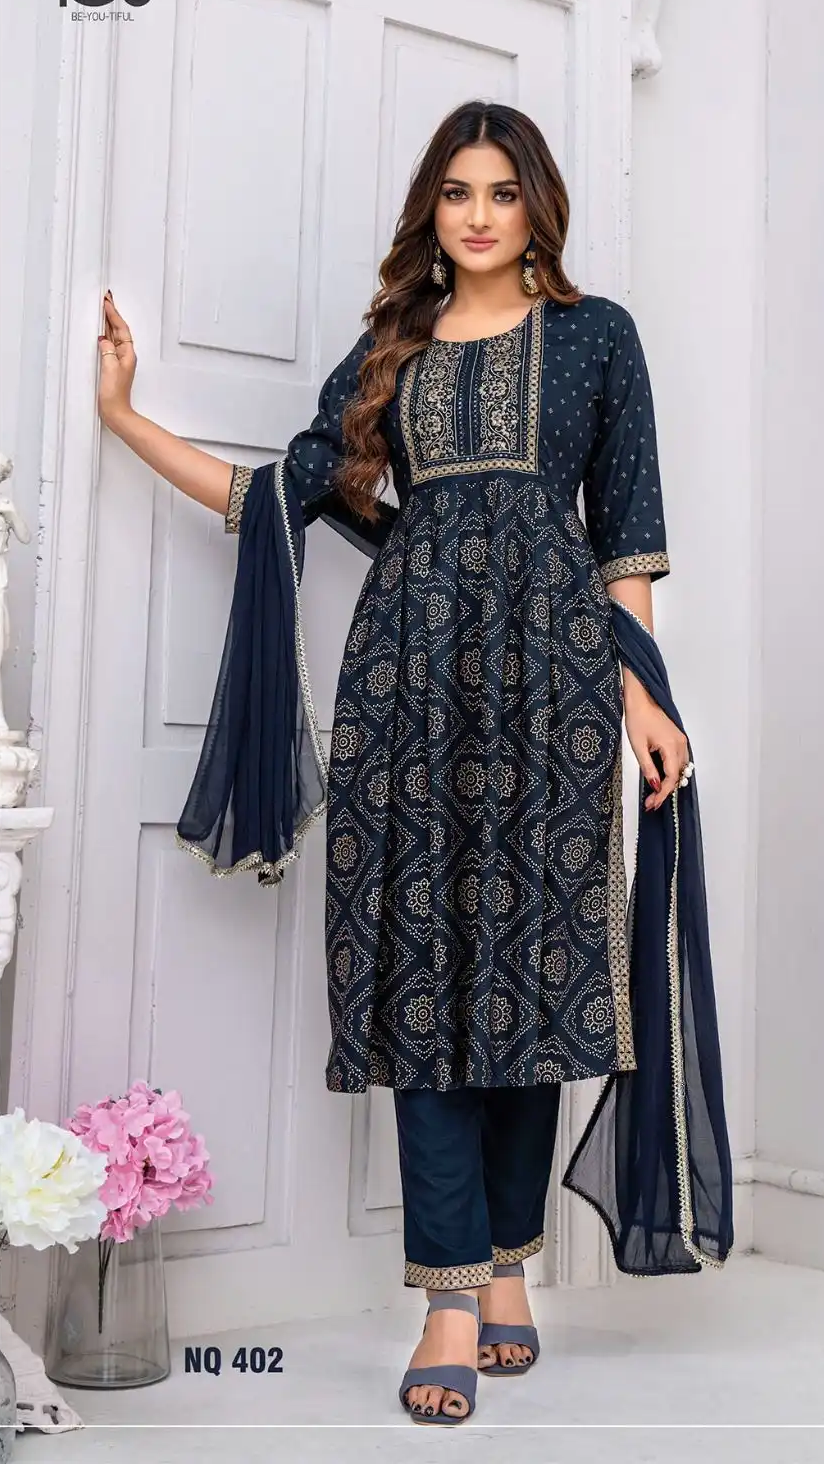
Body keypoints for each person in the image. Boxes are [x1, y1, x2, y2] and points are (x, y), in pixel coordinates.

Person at [96, 100, 732, 1426]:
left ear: (538, 206)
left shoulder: (599, 339)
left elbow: (624, 541)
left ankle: (506, 1269)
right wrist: (124, 417)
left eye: (502, 191)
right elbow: (273, 496)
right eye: (456, 192)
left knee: (533, 982)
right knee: (425, 979)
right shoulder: (393, 348)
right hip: (408, 691)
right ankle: (448, 1298)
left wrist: (645, 698)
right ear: (430, 211)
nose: (479, 215)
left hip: (554, 692)